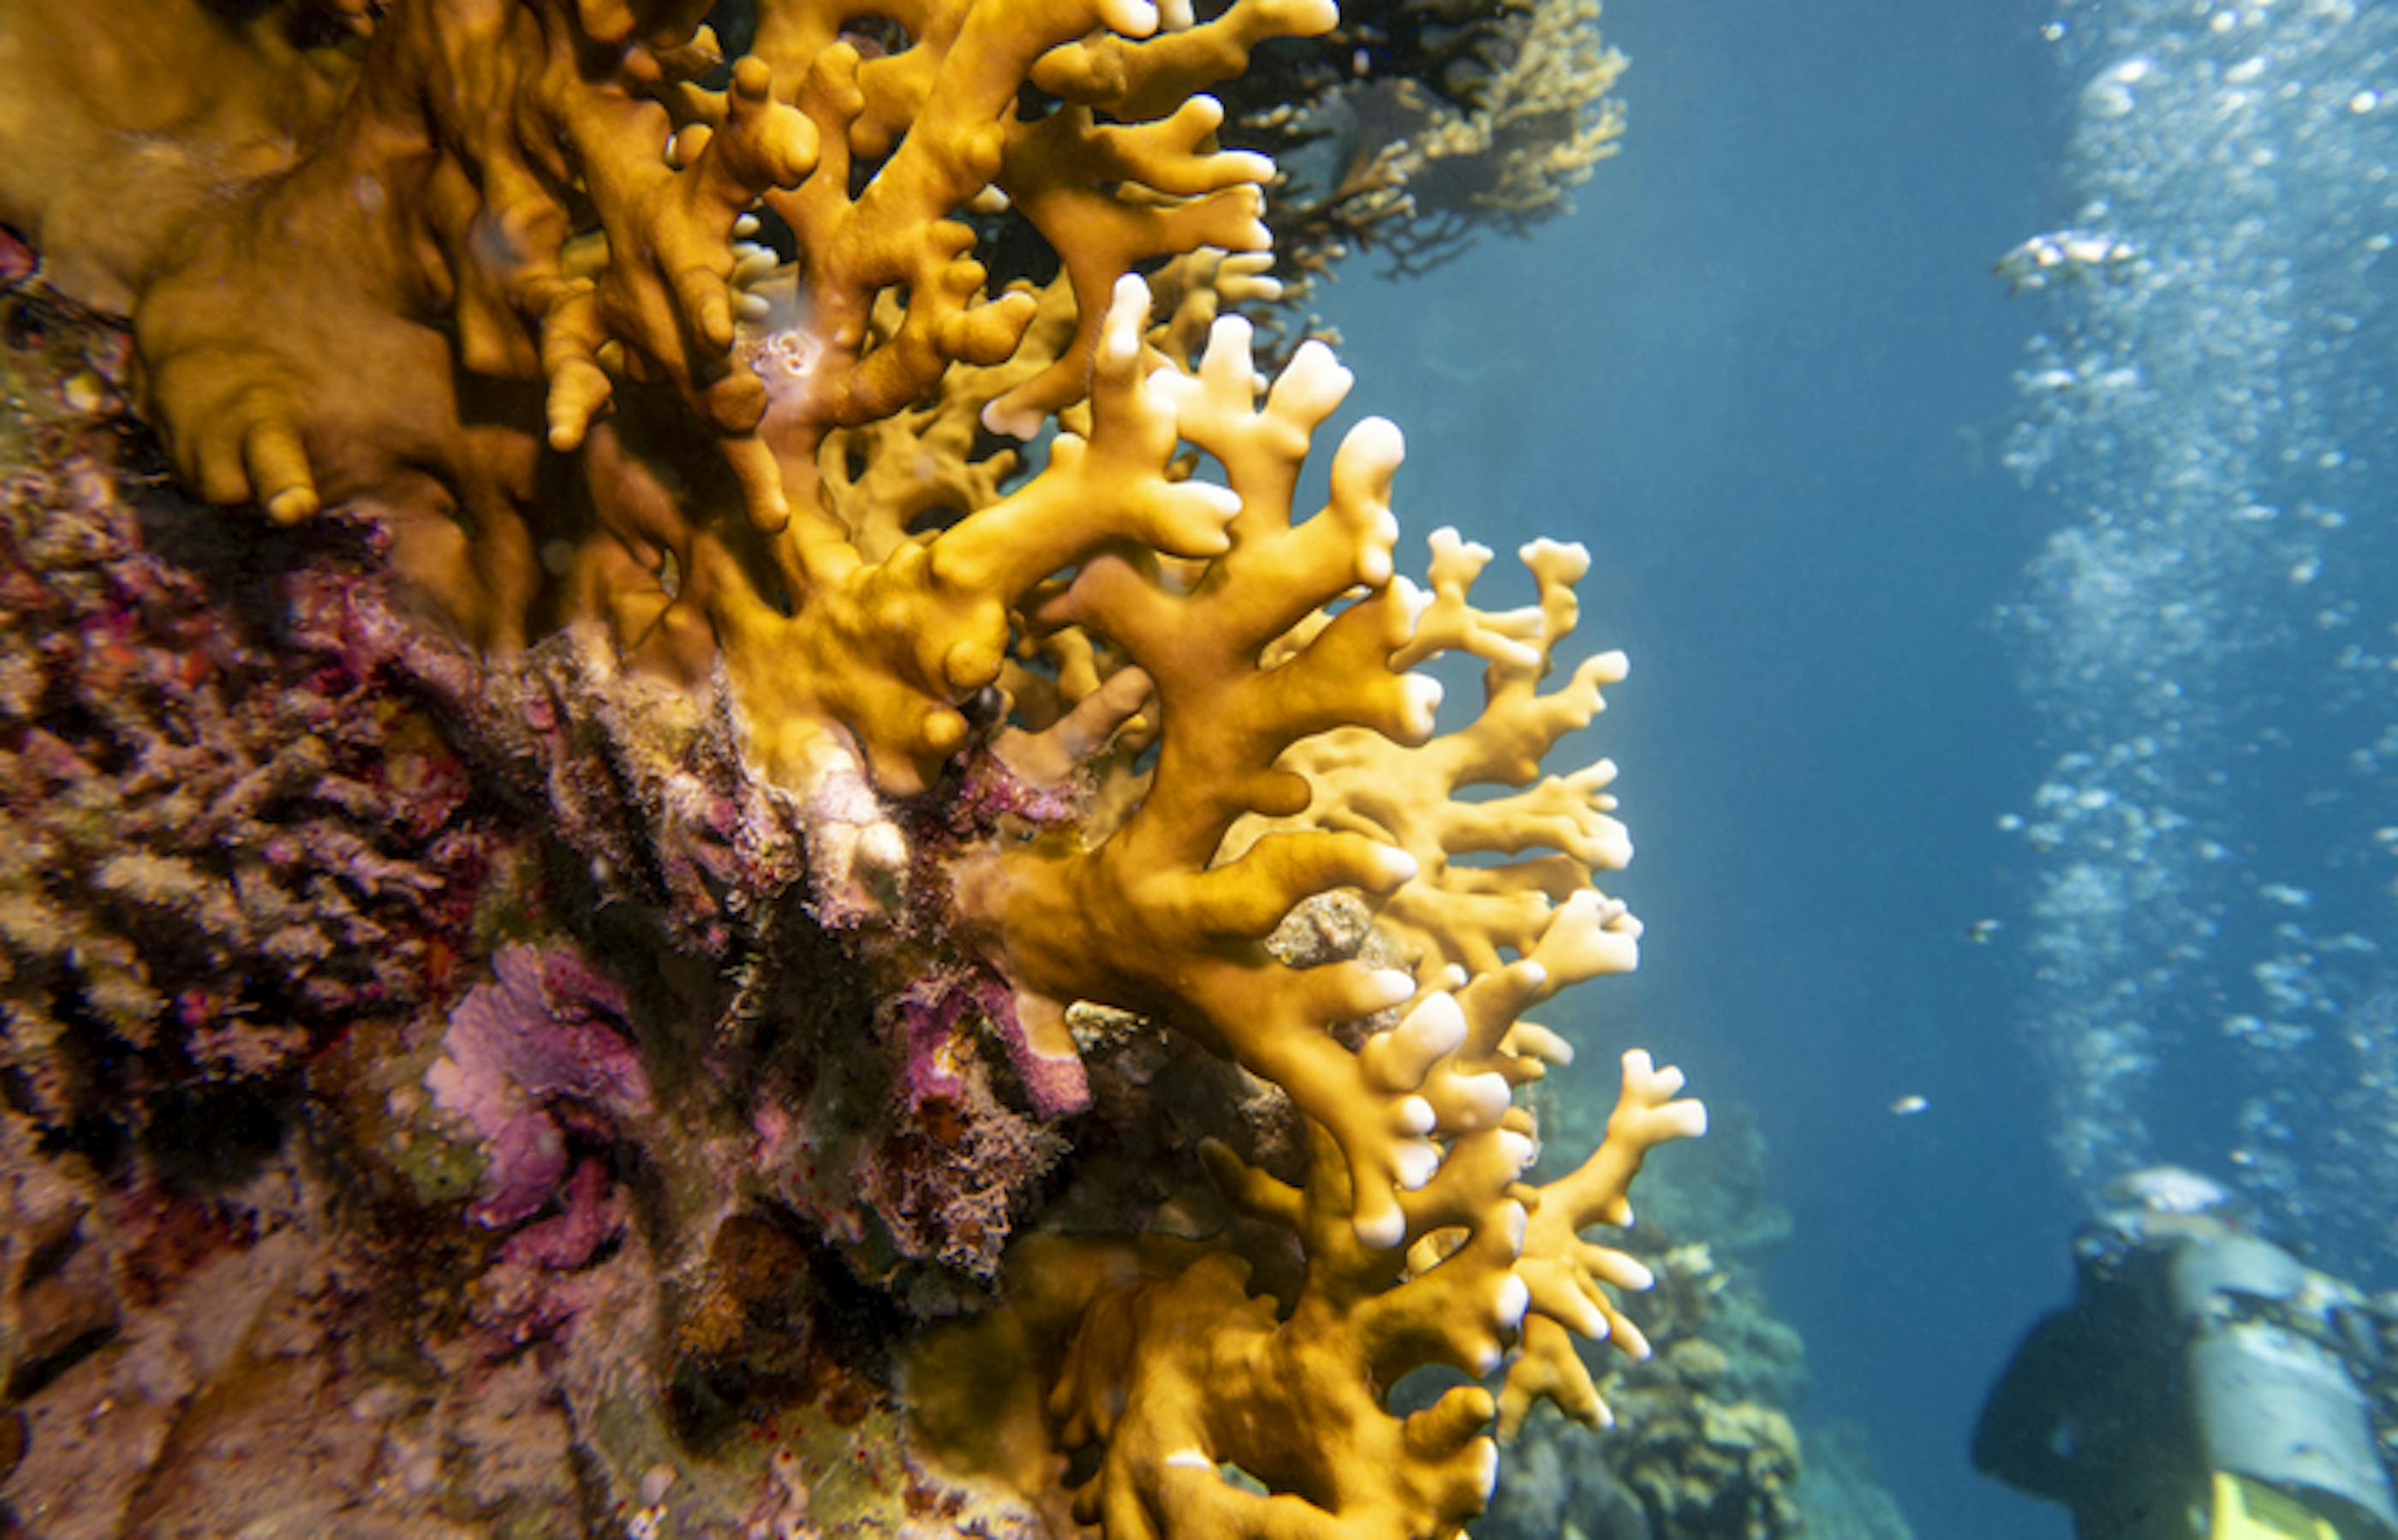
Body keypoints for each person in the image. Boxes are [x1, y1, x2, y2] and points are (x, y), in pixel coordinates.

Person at [1973, 1167, 2398, 1540]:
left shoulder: (2096, 1325)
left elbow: (1998, 1453)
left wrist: (2109, 1489)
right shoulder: (2326, 1311)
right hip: (2348, 1517)